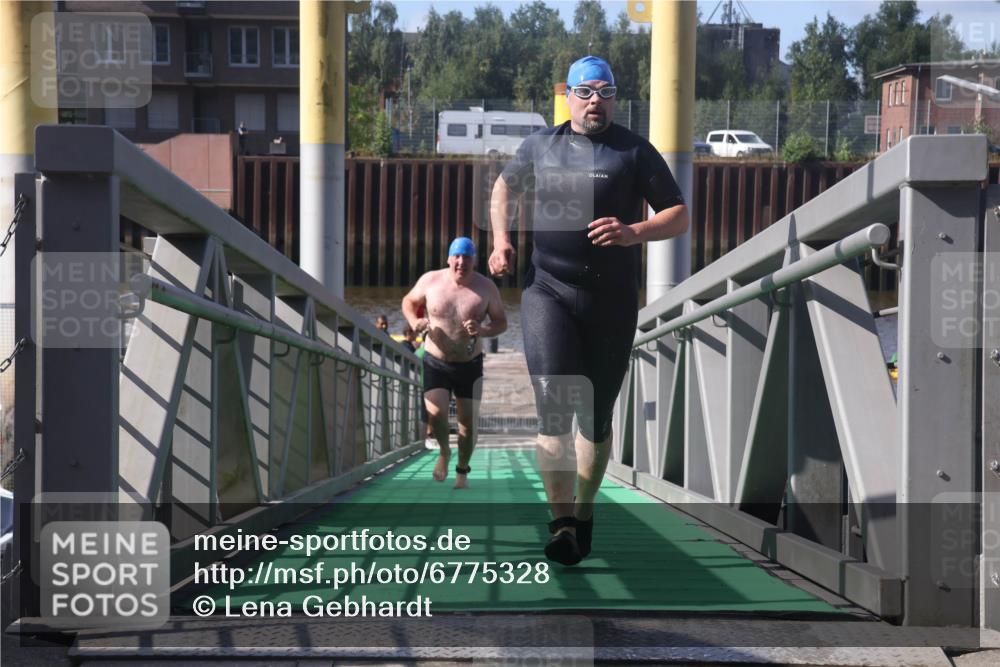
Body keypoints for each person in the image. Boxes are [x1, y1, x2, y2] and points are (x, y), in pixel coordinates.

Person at [488, 56, 689, 565]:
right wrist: (501, 241)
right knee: (554, 405)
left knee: (595, 418)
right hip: (547, 290)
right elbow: (504, 186)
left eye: (605, 91)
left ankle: (584, 511)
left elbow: (679, 213)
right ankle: (560, 525)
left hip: (611, 299)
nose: (595, 99)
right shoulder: (540, 146)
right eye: (585, 91)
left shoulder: (633, 151)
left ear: (615, 99)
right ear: (568, 98)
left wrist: (634, 232)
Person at [402, 237, 507, 489]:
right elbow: (408, 301)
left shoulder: (486, 288)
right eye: (456, 257)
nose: (461, 262)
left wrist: (481, 330)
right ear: (449, 259)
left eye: (467, 257)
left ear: (474, 260)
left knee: (467, 425)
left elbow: (501, 322)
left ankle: (462, 470)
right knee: (435, 412)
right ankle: (444, 452)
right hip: (435, 360)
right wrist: (414, 322)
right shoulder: (430, 281)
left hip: (469, 364)